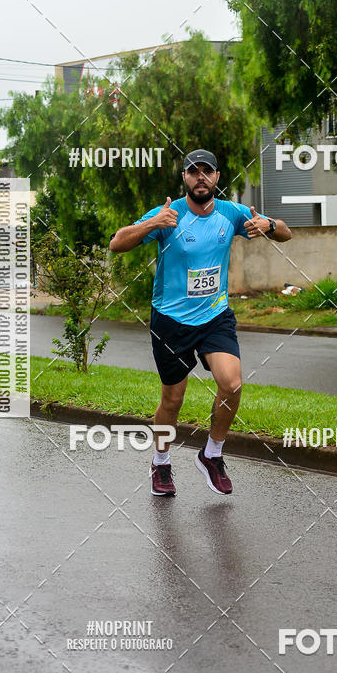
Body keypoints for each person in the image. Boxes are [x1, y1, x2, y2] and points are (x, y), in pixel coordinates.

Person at [109, 149, 292, 497]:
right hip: (171, 321)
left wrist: (268, 225)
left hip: (215, 316)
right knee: (173, 399)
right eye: (194, 172)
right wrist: (152, 224)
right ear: (185, 178)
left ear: (217, 178)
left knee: (232, 383)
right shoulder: (169, 214)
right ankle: (160, 462)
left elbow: (286, 233)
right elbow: (117, 243)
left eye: (207, 172)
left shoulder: (232, 213)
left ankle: (212, 454)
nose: (201, 177)